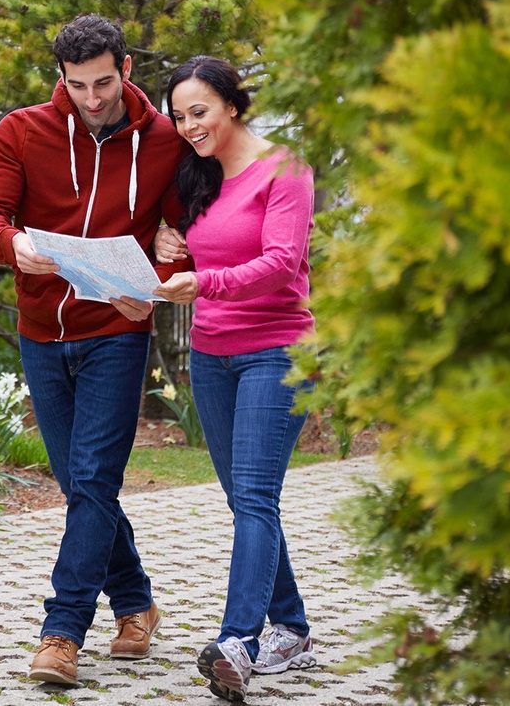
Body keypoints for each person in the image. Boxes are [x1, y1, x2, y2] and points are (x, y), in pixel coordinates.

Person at [0, 14, 188, 686]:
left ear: (124, 69)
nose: (91, 99)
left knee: (93, 481)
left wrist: (170, 246)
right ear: (59, 77)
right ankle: (136, 602)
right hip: (41, 333)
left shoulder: (163, 141)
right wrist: (17, 248)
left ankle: (61, 631)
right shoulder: (21, 130)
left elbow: (187, 224)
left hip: (117, 330)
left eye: (102, 82)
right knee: (80, 485)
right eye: (77, 85)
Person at [152, 55, 318, 702]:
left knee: (252, 498)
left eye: (200, 111)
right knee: (247, 501)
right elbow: (209, 254)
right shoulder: (201, 178)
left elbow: (280, 263)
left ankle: (237, 641)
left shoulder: (286, 168)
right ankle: (293, 629)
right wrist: (176, 251)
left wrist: (202, 281)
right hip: (211, 357)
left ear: (231, 104)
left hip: (275, 353)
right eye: (180, 115)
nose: (189, 125)